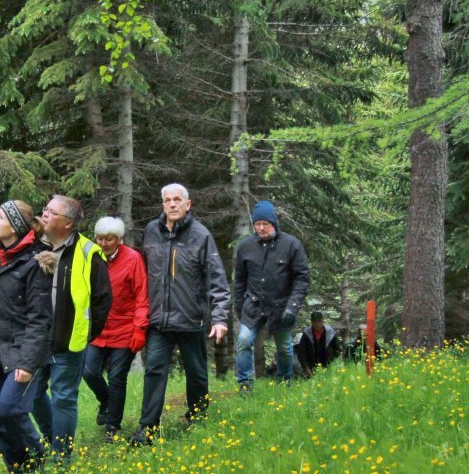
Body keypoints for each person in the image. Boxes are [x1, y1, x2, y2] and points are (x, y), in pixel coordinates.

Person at [130, 184, 230, 446]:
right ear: (162, 205)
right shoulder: (151, 231)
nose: (172, 204)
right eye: (167, 200)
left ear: (188, 204)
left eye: (177, 200)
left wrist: (219, 318)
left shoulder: (201, 236)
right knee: (154, 371)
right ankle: (147, 428)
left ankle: (197, 416)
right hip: (159, 320)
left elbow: (217, 279)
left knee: (196, 373)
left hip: (191, 319)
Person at [0, 200, 56, 474]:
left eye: (0, 217)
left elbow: (39, 319)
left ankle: (41, 459)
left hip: (24, 351)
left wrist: (28, 363)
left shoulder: (35, 263)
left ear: (16, 226)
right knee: (0, 416)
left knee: (11, 410)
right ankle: (17, 471)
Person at [31, 195, 112, 462]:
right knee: (31, 394)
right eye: (45, 209)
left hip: (68, 341)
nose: (44, 214)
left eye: (51, 212)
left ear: (67, 223)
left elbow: (102, 299)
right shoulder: (32, 246)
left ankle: (61, 456)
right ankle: (52, 437)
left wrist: (89, 333)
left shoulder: (89, 252)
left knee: (64, 398)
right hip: (34, 339)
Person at [81, 217, 149, 442]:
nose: (103, 243)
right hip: (97, 329)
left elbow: (142, 296)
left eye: (108, 239)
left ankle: (112, 426)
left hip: (125, 328)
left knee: (117, 377)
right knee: (89, 371)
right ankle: (106, 401)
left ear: (119, 239)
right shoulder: (91, 257)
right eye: (99, 238)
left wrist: (140, 329)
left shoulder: (133, 259)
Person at [232, 200, 311, 393]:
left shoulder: (292, 245)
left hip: (281, 306)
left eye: (265, 224)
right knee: (243, 341)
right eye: (257, 224)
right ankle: (245, 384)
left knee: (284, 347)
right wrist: (240, 306)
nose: (261, 228)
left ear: (274, 223)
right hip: (253, 305)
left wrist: (292, 306)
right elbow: (239, 279)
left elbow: (302, 278)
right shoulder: (245, 246)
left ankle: (284, 382)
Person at [295, 311, 343, 378]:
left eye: (319, 321)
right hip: (311, 366)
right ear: (311, 323)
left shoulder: (330, 333)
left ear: (323, 322)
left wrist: (334, 364)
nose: (317, 324)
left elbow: (337, 349)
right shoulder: (306, 334)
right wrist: (306, 368)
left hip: (329, 365)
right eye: (315, 322)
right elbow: (301, 352)